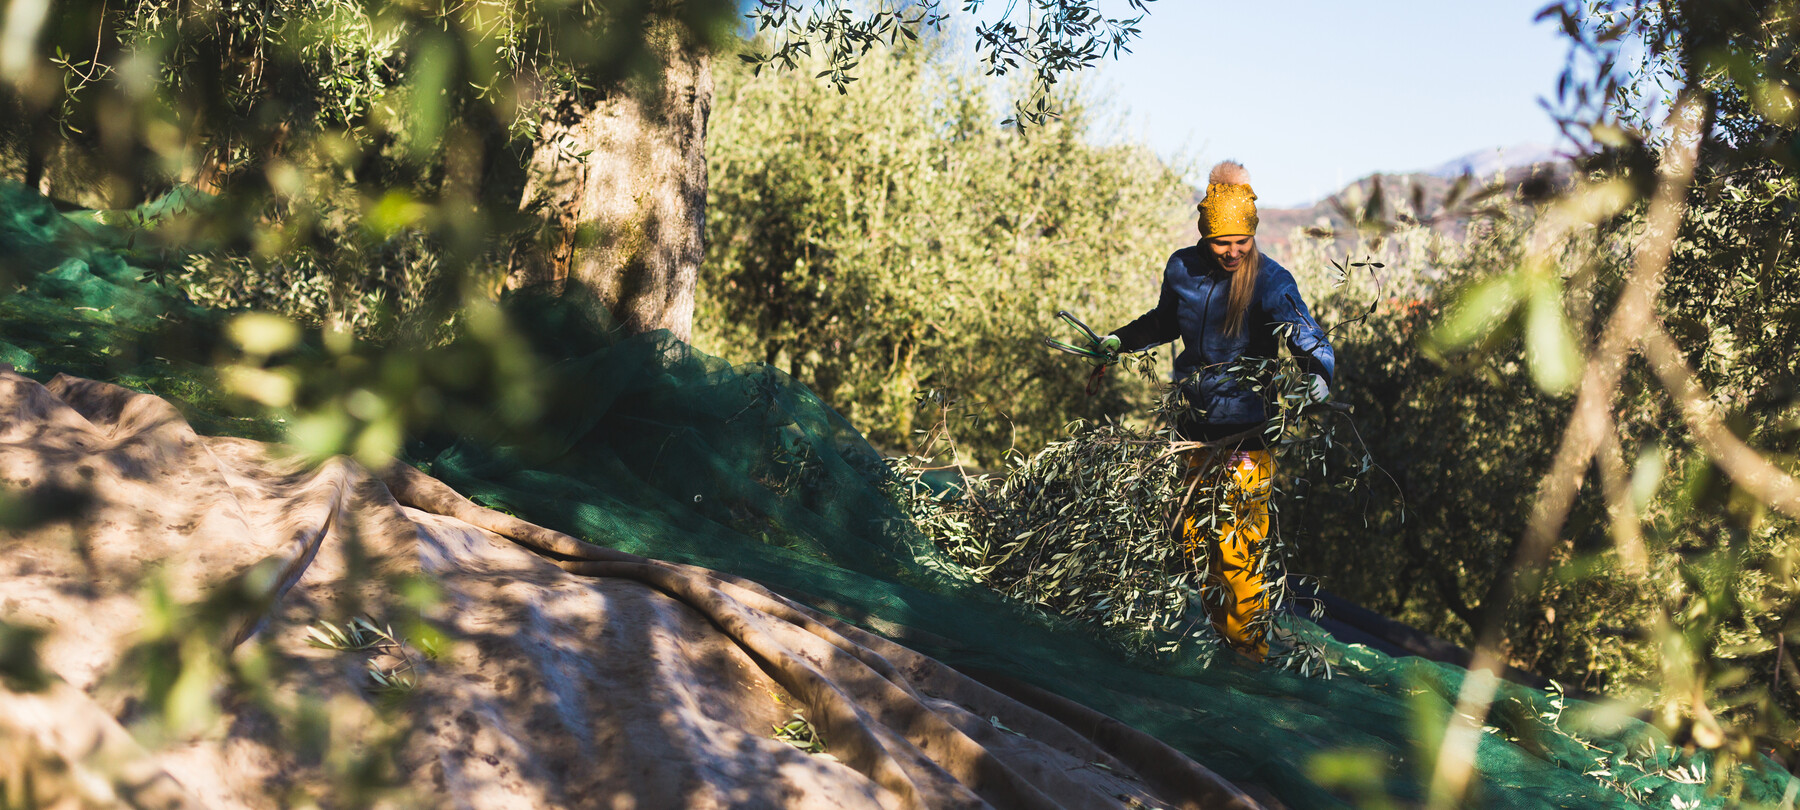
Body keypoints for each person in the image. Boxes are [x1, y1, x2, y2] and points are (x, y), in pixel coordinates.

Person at [1096, 160, 1336, 661]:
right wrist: (1120, 340)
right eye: (1221, 242)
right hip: (1193, 432)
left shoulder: (1271, 281)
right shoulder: (1182, 268)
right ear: (1204, 237)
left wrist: (1318, 375)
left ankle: (1249, 657)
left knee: (1238, 555)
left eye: (1241, 242)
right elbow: (1165, 320)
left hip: (1246, 440)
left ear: (1253, 234)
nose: (1232, 252)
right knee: (1192, 542)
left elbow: (1306, 337)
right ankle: (1219, 641)